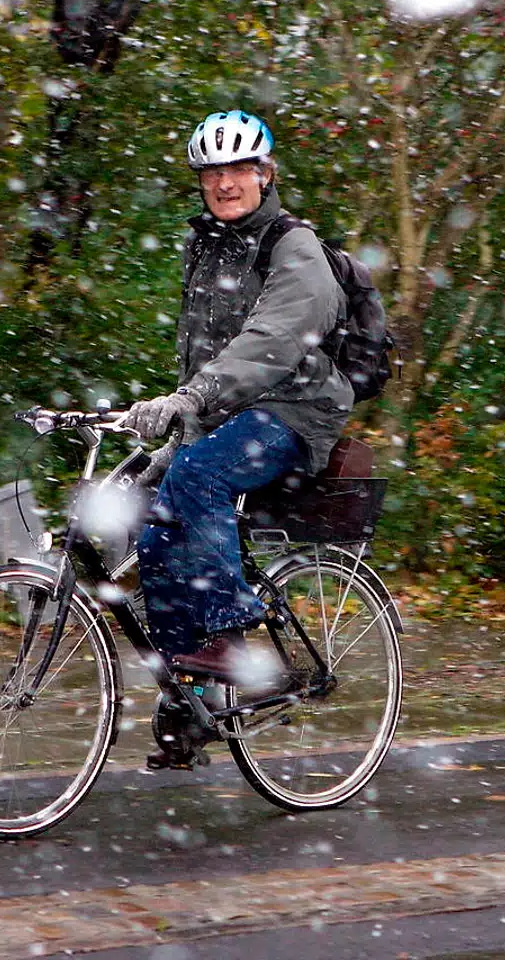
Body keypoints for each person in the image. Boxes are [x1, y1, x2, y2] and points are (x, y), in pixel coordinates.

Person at [122, 110, 353, 697]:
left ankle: (230, 633)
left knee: (201, 475)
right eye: (213, 171)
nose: (226, 182)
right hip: (231, 412)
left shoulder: (294, 246)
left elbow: (271, 341)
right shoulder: (206, 248)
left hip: (297, 408)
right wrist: (179, 425)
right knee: (154, 537)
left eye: (240, 168)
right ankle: (189, 700)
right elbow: (200, 352)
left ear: (266, 174)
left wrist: (191, 399)